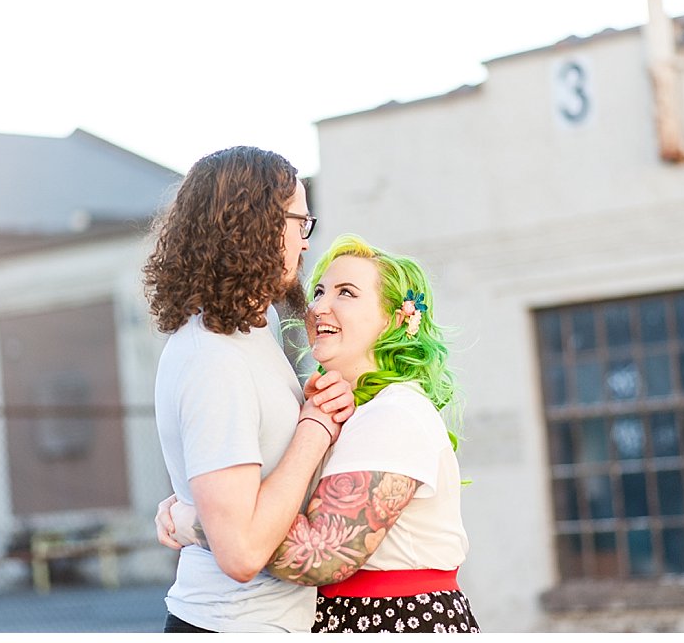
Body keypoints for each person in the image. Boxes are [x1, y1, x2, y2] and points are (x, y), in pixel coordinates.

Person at [159, 233, 480, 633]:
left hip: (395, 621)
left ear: (396, 318)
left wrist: (195, 518)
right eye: (320, 291)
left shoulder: (394, 414)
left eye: (346, 293)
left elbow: (320, 556)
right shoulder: (343, 413)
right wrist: (202, 494)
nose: (320, 307)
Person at [142, 146, 357, 633]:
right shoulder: (213, 358)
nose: (305, 245)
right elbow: (239, 552)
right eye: (299, 223)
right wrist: (315, 428)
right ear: (253, 226)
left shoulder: (251, 333)